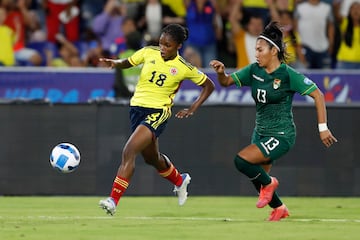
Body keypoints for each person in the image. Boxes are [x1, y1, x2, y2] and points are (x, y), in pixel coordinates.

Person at [209, 21, 337, 221]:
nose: (256, 54)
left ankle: (270, 184)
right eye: (255, 50)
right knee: (259, 179)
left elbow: (318, 95)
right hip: (260, 132)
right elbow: (226, 83)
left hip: (281, 134)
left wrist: (323, 128)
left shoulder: (287, 75)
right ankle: (279, 208)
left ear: (273, 50)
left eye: (260, 50)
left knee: (241, 161)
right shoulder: (253, 70)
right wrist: (220, 73)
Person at [98, 23, 215, 215]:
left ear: (178, 46)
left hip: (158, 112)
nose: (162, 48)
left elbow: (209, 86)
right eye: (161, 43)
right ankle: (180, 180)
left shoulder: (183, 67)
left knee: (129, 150)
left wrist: (193, 108)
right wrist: (116, 63)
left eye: (167, 45)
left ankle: (113, 200)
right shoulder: (148, 52)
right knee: (152, 158)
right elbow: (130, 61)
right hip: (136, 109)